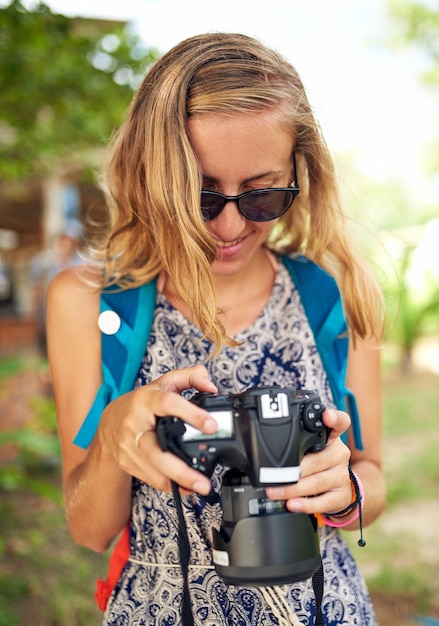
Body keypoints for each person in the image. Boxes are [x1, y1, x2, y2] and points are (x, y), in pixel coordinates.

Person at [47, 33, 386, 626]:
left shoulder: (333, 293)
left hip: (320, 604)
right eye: (199, 195)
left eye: (262, 195)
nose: (229, 225)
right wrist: (114, 437)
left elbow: (372, 477)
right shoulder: (85, 302)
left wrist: (347, 490)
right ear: (150, 174)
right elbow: (87, 529)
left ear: (299, 172)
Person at [30, 218, 83, 357]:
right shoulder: (44, 263)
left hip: (72, 313)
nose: (66, 244)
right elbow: (37, 289)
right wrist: (36, 313)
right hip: (49, 311)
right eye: (64, 240)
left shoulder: (80, 264)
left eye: (70, 241)